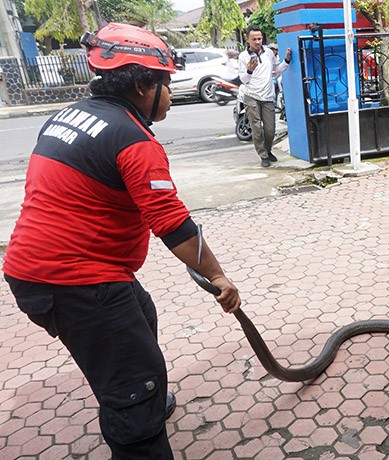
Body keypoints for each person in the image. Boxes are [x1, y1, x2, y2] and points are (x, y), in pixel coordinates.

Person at [2, 23, 241, 458]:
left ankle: (140, 397)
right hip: (75, 280)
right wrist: (220, 277)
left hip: (38, 270)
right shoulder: (133, 138)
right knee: (134, 387)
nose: (169, 95)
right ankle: (136, 413)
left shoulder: (69, 115)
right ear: (140, 84)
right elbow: (172, 224)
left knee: (140, 311)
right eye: (164, 85)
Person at [239, 26, 292, 168]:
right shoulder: (243, 56)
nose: (257, 42)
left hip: (268, 96)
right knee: (256, 129)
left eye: (259, 38)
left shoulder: (268, 53)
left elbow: (277, 70)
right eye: (254, 39)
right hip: (251, 96)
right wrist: (250, 70)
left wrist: (286, 60)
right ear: (247, 40)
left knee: (270, 129)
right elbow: (243, 80)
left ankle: (268, 150)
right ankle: (263, 156)